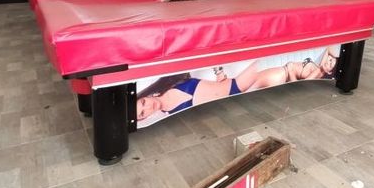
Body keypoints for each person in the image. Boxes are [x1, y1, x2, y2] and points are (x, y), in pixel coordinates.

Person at [136, 47, 339, 124]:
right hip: (235, 94)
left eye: (143, 102)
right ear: (145, 118)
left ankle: (324, 63)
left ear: (146, 96)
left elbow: (216, 85)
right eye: (143, 113)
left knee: (270, 57)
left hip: (235, 85)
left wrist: (218, 70)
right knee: (281, 69)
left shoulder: (171, 82)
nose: (148, 107)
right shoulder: (169, 115)